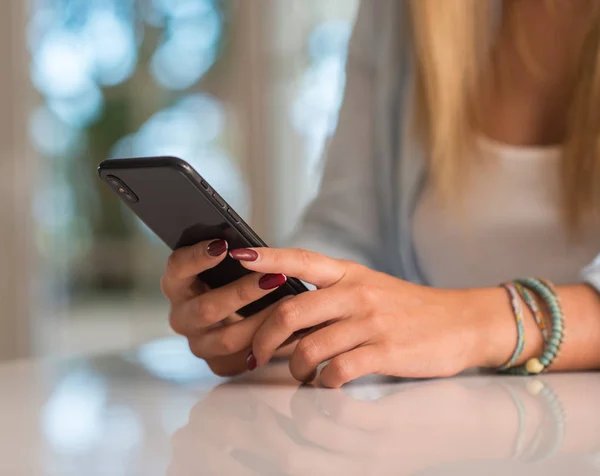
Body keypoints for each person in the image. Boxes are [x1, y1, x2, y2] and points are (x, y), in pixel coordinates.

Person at [161, 0, 600, 388]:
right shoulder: (402, 12)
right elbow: (350, 230)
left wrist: (470, 323)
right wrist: (284, 310)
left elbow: (432, 319)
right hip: (435, 424)